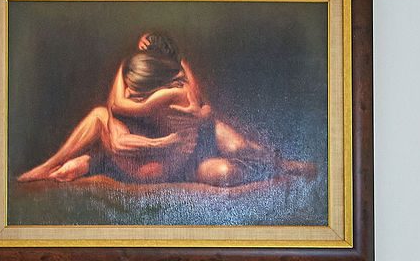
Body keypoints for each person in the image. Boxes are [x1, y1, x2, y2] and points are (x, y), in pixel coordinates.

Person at [17, 32, 276, 186]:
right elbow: (116, 107)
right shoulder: (136, 74)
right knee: (103, 122)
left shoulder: (174, 86)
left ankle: (276, 163)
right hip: (162, 154)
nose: (131, 92)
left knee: (232, 156)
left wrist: (199, 117)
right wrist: (164, 140)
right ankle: (66, 164)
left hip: (184, 153)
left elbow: (201, 108)